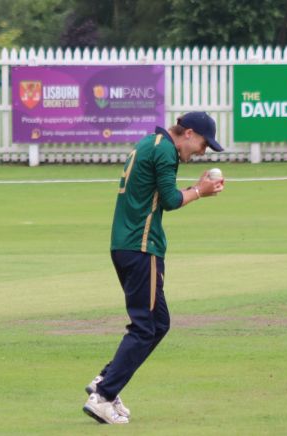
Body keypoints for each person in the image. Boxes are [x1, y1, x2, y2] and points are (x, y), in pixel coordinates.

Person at [83, 112, 225, 424]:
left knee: (159, 324)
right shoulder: (165, 151)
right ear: (188, 133)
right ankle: (103, 397)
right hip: (141, 247)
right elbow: (171, 200)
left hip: (129, 245)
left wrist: (197, 188)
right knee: (145, 327)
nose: (202, 152)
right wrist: (201, 191)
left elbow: (159, 195)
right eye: (203, 144)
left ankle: (106, 380)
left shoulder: (152, 143)